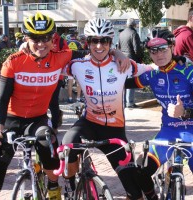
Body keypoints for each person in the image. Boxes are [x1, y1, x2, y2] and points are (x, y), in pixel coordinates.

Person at [0, 12, 129, 200]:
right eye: (35, 38)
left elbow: (95, 51)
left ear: (53, 39)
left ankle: (53, 187)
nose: (41, 43)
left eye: (46, 38)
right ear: (26, 38)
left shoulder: (61, 57)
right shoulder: (13, 61)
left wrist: (118, 52)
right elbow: (1, 99)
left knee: (48, 142)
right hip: (11, 119)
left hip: (37, 120)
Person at [61, 18, 154, 200]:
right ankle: (70, 186)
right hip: (89, 123)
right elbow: (46, 66)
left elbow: (153, 68)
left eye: (104, 40)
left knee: (134, 192)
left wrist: (178, 62)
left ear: (111, 42)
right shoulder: (78, 65)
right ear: (87, 42)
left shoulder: (123, 65)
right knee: (68, 142)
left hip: (114, 130)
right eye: (94, 40)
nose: (99, 45)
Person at [125, 31, 193, 200]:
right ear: (150, 54)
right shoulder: (152, 75)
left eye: (163, 49)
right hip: (168, 132)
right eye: (154, 51)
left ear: (172, 47)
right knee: (141, 174)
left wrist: (185, 112)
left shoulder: (191, 72)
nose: (159, 54)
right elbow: (120, 83)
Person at [118, 18, 144, 108]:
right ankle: (130, 102)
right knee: (131, 80)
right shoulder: (134, 33)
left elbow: (119, 48)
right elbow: (137, 49)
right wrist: (140, 58)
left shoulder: (121, 33)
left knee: (123, 81)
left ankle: (123, 102)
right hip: (132, 59)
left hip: (122, 59)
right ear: (134, 25)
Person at [48, 32, 69, 133]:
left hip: (57, 76)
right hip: (43, 76)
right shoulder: (41, 39)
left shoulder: (60, 41)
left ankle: (54, 126)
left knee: (53, 101)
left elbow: (67, 55)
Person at [66, 29, 83, 103]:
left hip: (69, 64)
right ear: (75, 35)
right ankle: (78, 98)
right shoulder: (78, 43)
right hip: (77, 64)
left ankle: (70, 98)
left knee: (70, 82)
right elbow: (81, 53)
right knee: (78, 82)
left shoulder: (66, 43)